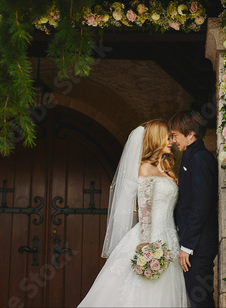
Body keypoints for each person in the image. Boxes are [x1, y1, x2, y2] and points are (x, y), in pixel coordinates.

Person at [78, 120, 189, 307]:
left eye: (171, 137)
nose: (171, 141)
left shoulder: (167, 169)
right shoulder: (145, 168)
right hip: (151, 237)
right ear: (155, 139)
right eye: (167, 137)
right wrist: (146, 245)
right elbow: (144, 209)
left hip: (171, 237)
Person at [168, 110, 219, 307]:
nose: (173, 140)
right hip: (195, 244)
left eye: (175, 135)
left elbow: (201, 204)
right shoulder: (191, 156)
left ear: (190, 134)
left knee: (200, 301)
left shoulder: (199, 158)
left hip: (199, 245)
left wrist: (187, 246)